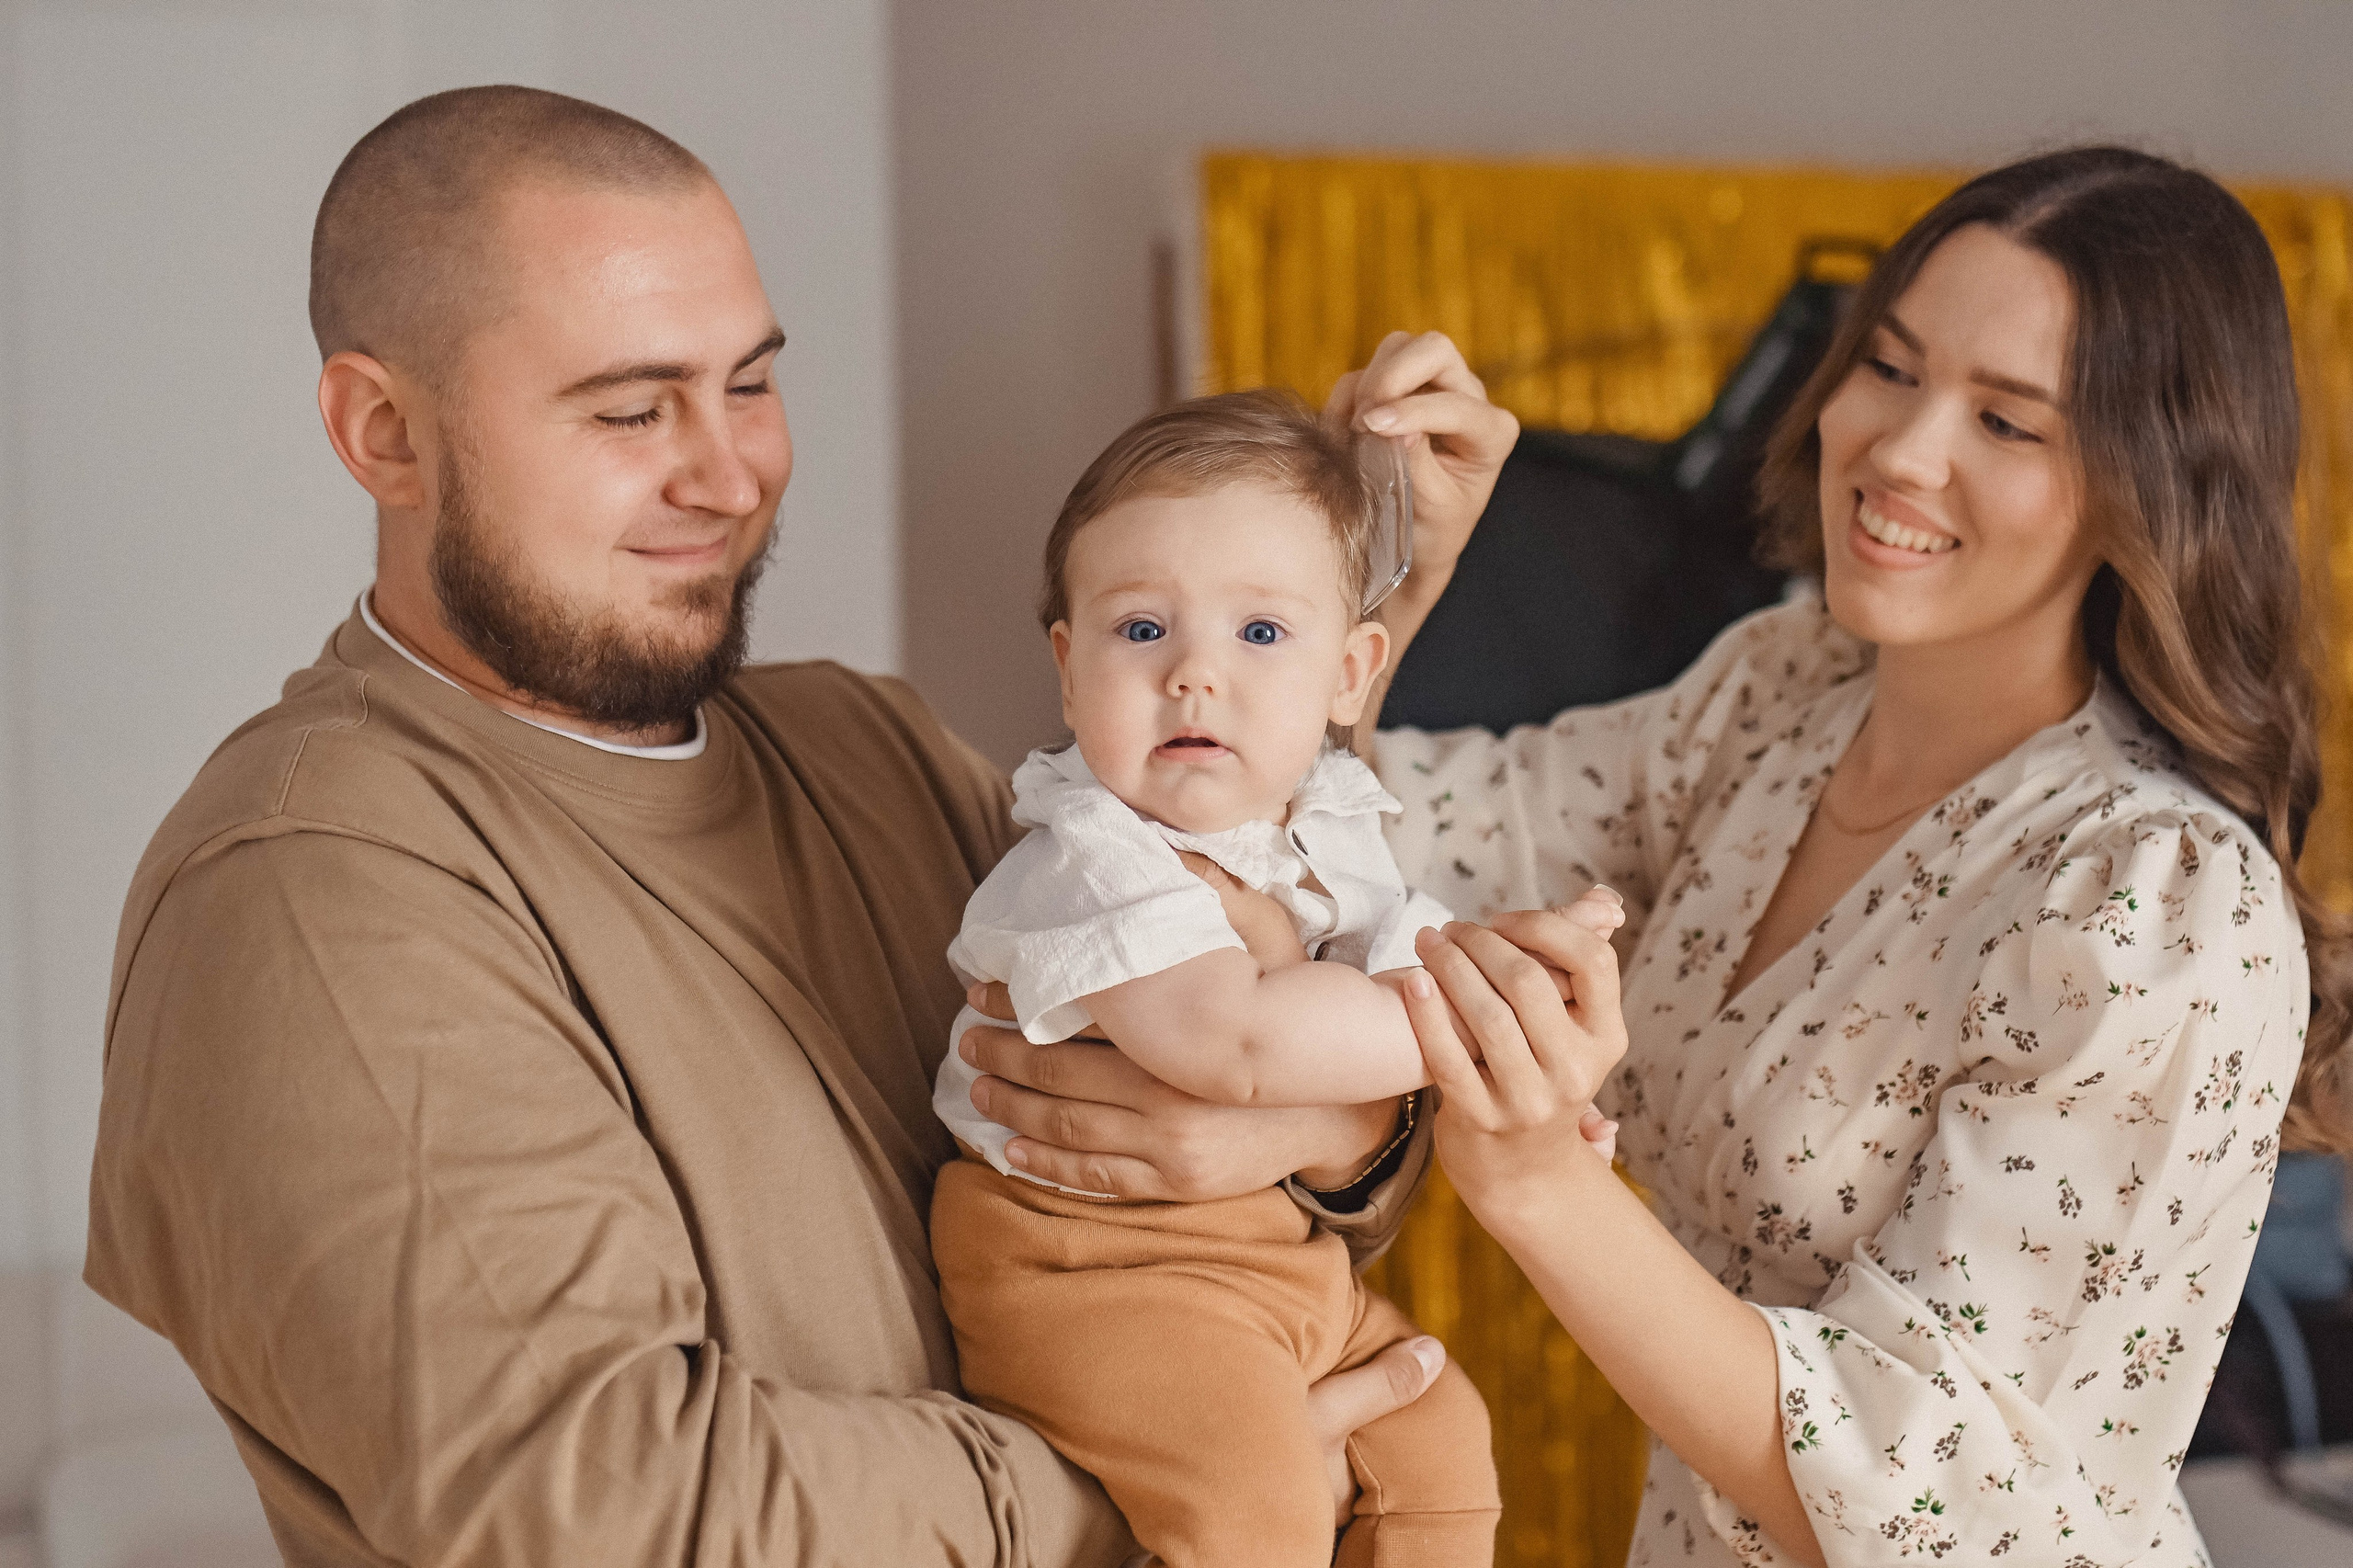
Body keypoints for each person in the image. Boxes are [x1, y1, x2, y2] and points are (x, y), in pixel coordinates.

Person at [81, 85, 1498, 1567]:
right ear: (385, 431)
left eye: (749, 385)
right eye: (632, 409)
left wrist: (1340, 1121)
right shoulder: (315, 886)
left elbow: (1224, 1132)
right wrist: (1160, 1492)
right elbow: (600, 1508)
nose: (728, 471)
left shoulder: (866, 746)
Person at [1360, 147, 2351, 1567]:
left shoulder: (2149, 902)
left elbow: (1925, 1502)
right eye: (1888, 368)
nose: (1897, 448)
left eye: (2008, 423)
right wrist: (1396, 576)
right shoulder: (1781, 692)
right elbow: (1371, 834)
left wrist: (1537, 1182)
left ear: (2148, 487)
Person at [928, 389, 1624, 1568]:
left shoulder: (1324, 825)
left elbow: (1407, 953)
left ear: (1350, 673)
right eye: (1141, 630)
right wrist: (1466, 1022)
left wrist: (1527, 1071)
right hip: (1085, 1274)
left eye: (1259, 633)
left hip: (1272, 1259)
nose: (1195, 674)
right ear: (1066, 664)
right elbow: (1233, 1042)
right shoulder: (1090, 851)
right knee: (1256, 1507)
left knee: (1437, 1429)